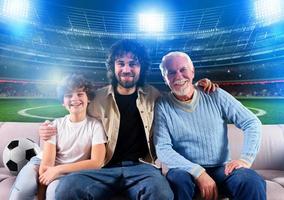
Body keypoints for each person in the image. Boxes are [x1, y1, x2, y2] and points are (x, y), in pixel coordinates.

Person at [39, 39, 216, 199]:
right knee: (66, 190)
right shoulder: (97, 98)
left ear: (141, 68)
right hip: (103, 168)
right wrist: (48, 128)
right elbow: (75, 113)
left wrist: (197, 87)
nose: (126, 69)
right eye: (121, 63)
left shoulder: (153, 96)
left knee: (162, 195)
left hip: (142, 168)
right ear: (113, 67)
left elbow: (179, 97)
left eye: (133, 63)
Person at [153, 51, 266, 200]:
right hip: (184, 170)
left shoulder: (214, 94)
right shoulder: (162, 105)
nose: (178, 76)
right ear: (165, 78)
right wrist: (198, 172)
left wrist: (246, 158)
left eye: (183, 69)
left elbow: (251, 122)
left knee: (250, 180)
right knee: (177, 180)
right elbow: (162, 148)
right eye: (172, 72)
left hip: (221, 168)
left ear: (193, 72)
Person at [9, 74, 107, 200]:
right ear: (62, 102)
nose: (75, 98)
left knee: (54, 193)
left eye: (80, 93)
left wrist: (59, 170)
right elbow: (46, 166)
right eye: (68, 95)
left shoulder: (95, 126)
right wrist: (40, 196)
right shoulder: (54, 125)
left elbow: (96, 162)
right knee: (23, 189)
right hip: (43, 164)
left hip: (67, 170)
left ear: (88, 98)